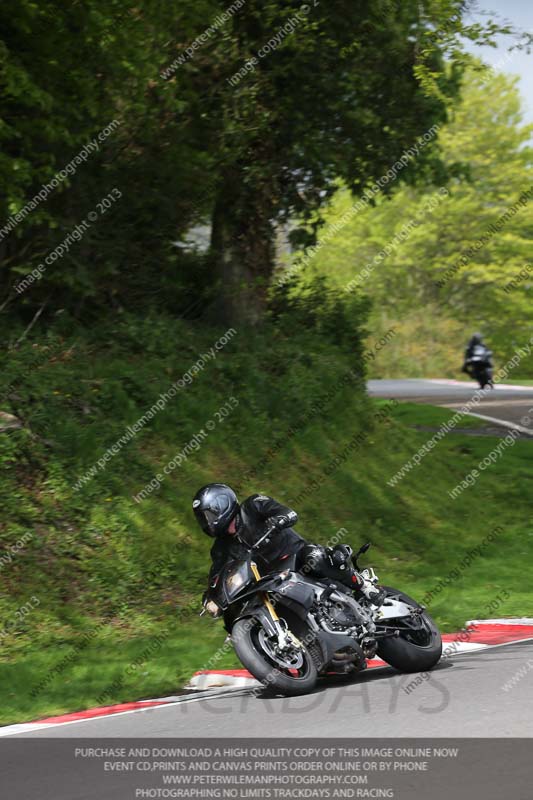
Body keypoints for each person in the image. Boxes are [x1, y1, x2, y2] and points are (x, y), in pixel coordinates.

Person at [192, 483, 384, 617]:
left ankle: (364, 586)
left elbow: (287, 512)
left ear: (222, 504)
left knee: (314, 558)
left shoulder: (253, 506)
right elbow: (217, 575)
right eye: (203, 519)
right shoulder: (220, 549)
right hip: (272, 581)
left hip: (296, 556)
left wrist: (281, 519)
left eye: (209, 515)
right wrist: (211, 596)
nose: (207, 522)